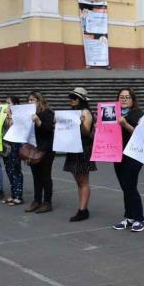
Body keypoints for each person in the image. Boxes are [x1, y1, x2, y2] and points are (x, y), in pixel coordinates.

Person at [114, 88, 144, 232]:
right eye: (122, 97)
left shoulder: (139, 114)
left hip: (134, 155)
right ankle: (129, 217)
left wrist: (125, 124)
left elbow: (141, 134)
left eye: (127, 97)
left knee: (130, 185)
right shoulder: (113, 113)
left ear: (133, 100)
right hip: (117, 154)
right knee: (124, 186)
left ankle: (140, 219)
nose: (124, 99)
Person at [63, 87, 96, 222]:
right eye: (71, 97)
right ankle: (83, 208)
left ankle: (83, 210)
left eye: (74, 98)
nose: (72, 100)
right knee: (79, 181)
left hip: (83, 148)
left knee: (83, 181)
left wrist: (81, 122)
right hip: (73, 147)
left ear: (81, 100)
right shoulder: (73, 112)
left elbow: (86, 132)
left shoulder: (85, 112)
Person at [24, 91, 55, 214]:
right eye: (29, 100)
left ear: (39, 101)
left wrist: (38, 121)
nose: (30, 102)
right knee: (36, 176)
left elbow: (48, 130)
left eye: (32, 100)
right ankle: (37, 201)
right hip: (33, 148)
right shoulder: (28, 114)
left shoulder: (46, 113)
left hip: (46, 149)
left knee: (45, 176)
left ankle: (47, 202)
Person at [1, 96, 24, 206]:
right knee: (9, 170)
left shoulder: (18, 115)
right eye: (6, 103)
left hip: (15, 145)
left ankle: (18, 195)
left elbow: (12, 127)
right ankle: (13, 194)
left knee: (15, 170)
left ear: (15, 105)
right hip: (6, 145)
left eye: (8, 103)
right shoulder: (4, 114)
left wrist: (9, 115)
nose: (6, 105)